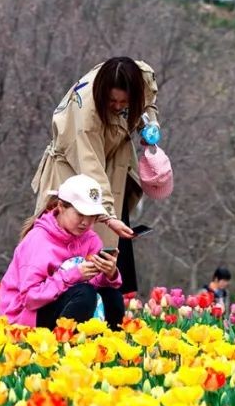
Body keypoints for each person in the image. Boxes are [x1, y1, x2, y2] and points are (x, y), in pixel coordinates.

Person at [31, 56, 163, 296]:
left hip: (114, 163)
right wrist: (108, 216)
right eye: (112, 101)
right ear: (103, 94)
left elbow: (149, 102)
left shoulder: (142, 76)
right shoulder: (87, 116)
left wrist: (149, 124)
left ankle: (110, 302)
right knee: (68, 243)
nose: (118, 106)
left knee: (112, 255)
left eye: (125, 101)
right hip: (72, 170)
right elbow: (91, 170)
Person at [0, 173, 125, 330]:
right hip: (25, 318)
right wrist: (73, 275)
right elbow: (29, 298)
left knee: (113, 297)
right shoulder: (38, 240)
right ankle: (65, 349)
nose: (86, 222)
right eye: (80, 214)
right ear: (61, 206)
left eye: (92, 216)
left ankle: (107, 348)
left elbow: (94, 285)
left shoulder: (91, 239)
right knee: (84, 294)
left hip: (66, 305)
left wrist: (109, 274)